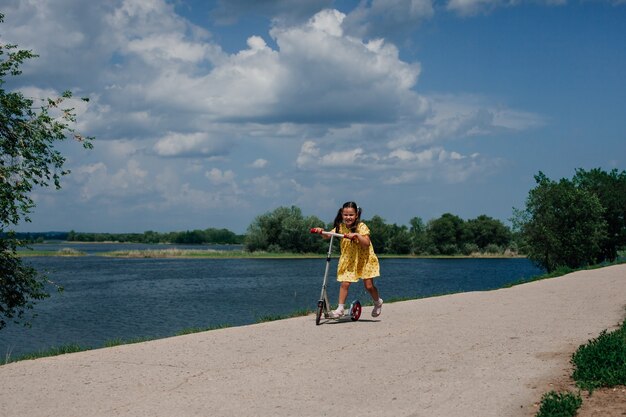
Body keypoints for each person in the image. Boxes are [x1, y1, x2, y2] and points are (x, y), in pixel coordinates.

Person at [312, 201, 383, 318]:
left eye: (351, 215)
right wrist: (321, 232)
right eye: (346, 215)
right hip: (349, 260)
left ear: (356, 215)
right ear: (342, 214)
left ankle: (377, 302)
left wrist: (357, 235)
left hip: (364, 260)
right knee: (345, 283)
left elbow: (366, 243)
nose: (348, 217)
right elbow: (328, 235)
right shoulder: (340, 227)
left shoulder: (361, 226)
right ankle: (340, 308)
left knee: (369, 286)